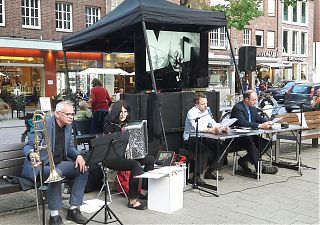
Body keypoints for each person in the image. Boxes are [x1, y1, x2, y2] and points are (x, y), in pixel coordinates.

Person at [21, 100, 89, 225]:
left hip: (58, 164)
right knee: (56, 173)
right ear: (57, 114)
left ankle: (73, 210)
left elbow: (69, 148)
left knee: (83, 169)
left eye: (72, 114)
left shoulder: (68, 127)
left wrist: (78, 155)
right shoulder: (43, 123)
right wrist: (32, 153)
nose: (71, 117)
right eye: (68, 114)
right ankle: (54, 216)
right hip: (39, 167)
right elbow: (28, 146)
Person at [103, 100, 155, 210]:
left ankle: (143, 190)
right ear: (115, 112)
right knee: (135, 165)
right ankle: (132, 200)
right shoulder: (108, 126)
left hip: (128, 155)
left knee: (150, 159)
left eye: (125, 112)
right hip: (112, 158)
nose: (123, 115)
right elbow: (110, 146)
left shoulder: (129, 124)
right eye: (120, 112)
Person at [230, 90, 278, 174]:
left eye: (256, 99)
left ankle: (243, 160)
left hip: (250, 135)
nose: (255, 102)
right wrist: (260, 126)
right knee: (251, 145)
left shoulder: (253, 108)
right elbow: (242, 122)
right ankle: (260, 167)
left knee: (266, 143)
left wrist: (268, 122)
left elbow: (259, 119)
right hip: (238, 137)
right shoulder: (238, 108)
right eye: (253, 100)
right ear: (246, 99)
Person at [183, 92, 227, 183]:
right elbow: (197, 128)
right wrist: (211, 130)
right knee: (203, 150)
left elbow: (212, 122)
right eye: (203, 104)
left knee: (222, 147)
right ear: (196, 104)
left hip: (204, 136)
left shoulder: (207, 111)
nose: (205, 106)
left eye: (206, 103)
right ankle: (196, 176)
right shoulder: (192, 112)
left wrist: (221, 127)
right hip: (191, 138)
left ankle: (210, 171)